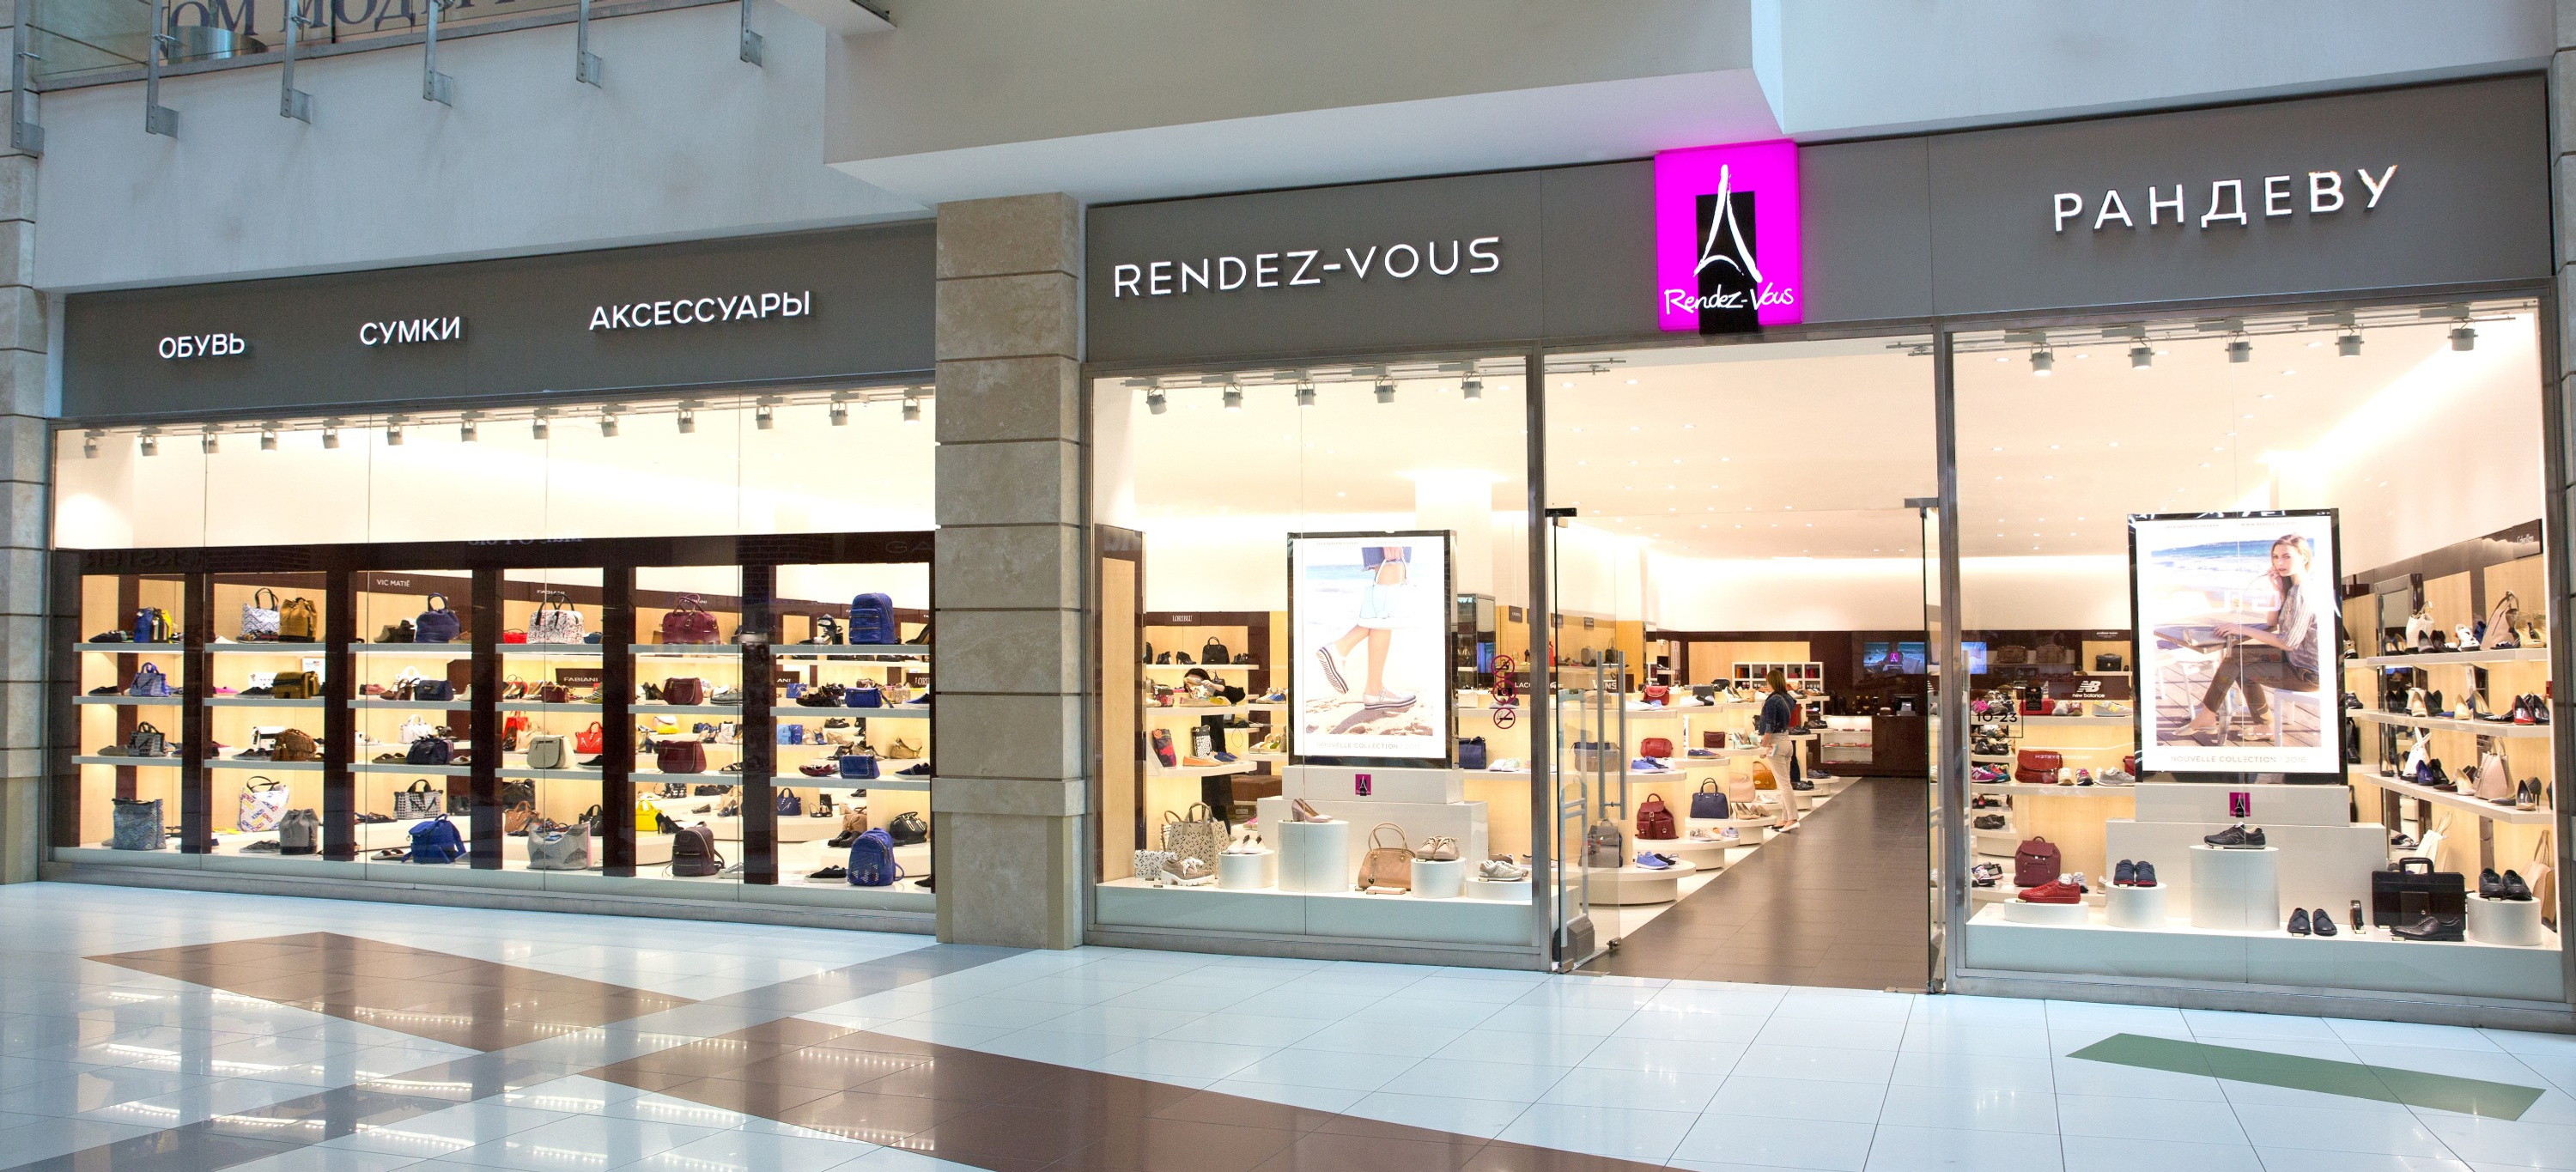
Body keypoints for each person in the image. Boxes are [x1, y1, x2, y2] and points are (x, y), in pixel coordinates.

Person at [2173, 533, 2325, 745]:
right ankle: (2210, 713)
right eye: (2275, 557)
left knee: (2239, 669)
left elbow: (2288, 643)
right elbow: (2272, 622)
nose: (2279, 563)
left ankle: (2234, 719)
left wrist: (2241, 628)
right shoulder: (2293, 589)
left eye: (2286, 557)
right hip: (2295, 661)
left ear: (2304, 557)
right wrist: (2278, 590)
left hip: (2307, 674)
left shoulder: (2302, 594)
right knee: (2236, 655)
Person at [1314, 545, 1416, 712]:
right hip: (1390, 534)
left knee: (1385, 609)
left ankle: (1374, 688)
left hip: (1390, 533)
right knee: (1386, 603)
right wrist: (1390, 539)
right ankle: (1340, 649)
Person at [1756, 667, 1801, 831]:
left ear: (1771, 682)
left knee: (1783, 784)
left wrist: (1763, 747)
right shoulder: (1788, 698)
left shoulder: (1772, 701)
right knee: (1785, 782)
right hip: (1787, 740)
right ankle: (1785, 818)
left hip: (1775, 743)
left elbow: (1769, 727)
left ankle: (1793, 818)